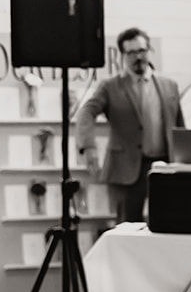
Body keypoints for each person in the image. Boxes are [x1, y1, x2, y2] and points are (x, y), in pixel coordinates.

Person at [75, 27, 182, 223]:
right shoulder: (110, 86)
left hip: (165, 165)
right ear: (123, 55)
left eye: (141, 50)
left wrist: (186, 162)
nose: (138, 57)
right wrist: (88, 147)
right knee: (127, 227)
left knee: (169, 222)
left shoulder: (170, 86)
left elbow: (180, 126)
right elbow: (85, 113)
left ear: (149, 50)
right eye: (131, 52)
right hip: (127, 169)